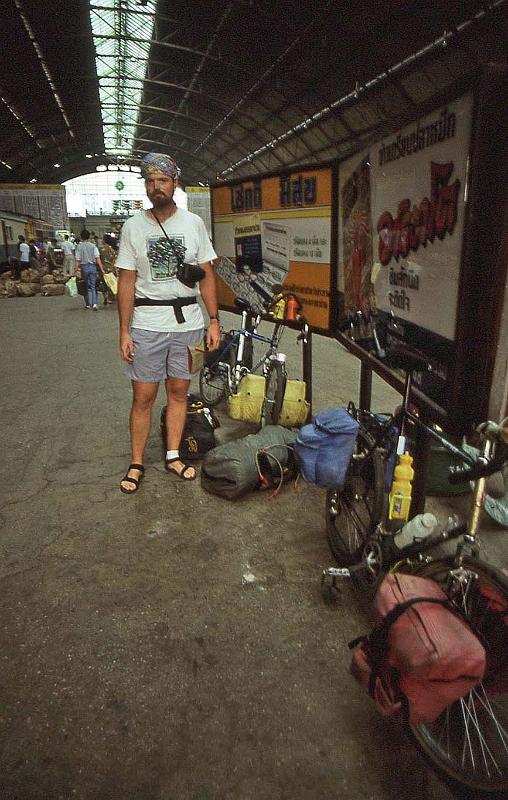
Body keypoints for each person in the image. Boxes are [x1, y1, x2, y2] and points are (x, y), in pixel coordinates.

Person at [116, 151, 220, 494]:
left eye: (162, 180)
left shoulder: (193, 224)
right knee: (143, 397)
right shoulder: (133, 226)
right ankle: (137, 462)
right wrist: (124, 330)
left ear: (175, 183)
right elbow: (127, 282)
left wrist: (214, 320)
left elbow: (206, 277)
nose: (156, 186)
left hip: (188, 323)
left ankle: (174, 455)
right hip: (147, 323)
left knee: (179, 393)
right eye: (150, 181)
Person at [75, 229, 105, 309]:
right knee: (93, 286)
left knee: (84, 285)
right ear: (89, 237)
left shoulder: (79, 246)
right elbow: (97, 258)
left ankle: (87, 304)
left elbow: (78, 259)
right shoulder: (93, 246)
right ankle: (94, 303)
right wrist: (102, 269)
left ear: (81, 237)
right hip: (92, 267)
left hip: (83, 267)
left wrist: (76, 269)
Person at [99, 234, 117, 305]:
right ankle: (110, 298)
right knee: (111, 284)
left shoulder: (101, 249)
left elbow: (99, 259)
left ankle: (105, 296)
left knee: (104, 284)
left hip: (103, 268)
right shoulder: (113, 250)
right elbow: (114, 260)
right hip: (111, 268)